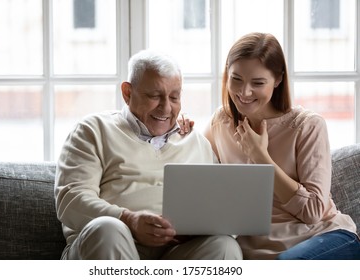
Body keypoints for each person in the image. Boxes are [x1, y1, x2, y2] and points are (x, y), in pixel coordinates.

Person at [180, 32, 360, 260]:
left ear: (278, 80)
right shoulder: (222, 121)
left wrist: (260, 156)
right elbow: (195, 178)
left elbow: (313, 212)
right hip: (256, 250)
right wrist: (179, 133)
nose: (244, 92)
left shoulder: (307, 126)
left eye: (257, 83)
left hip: (322, 237)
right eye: (236, 79)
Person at [54, 49, 242, 260]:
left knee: (225, 246)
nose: (166, 108)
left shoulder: (195, 141)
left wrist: (198, 228)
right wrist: (129, 220)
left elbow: (223, 209)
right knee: (107, 229)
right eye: (154, 96)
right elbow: (71, 200)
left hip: (175, 253)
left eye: (174, 97)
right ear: (127, 93)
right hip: (109, 244)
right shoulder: (93, 130)